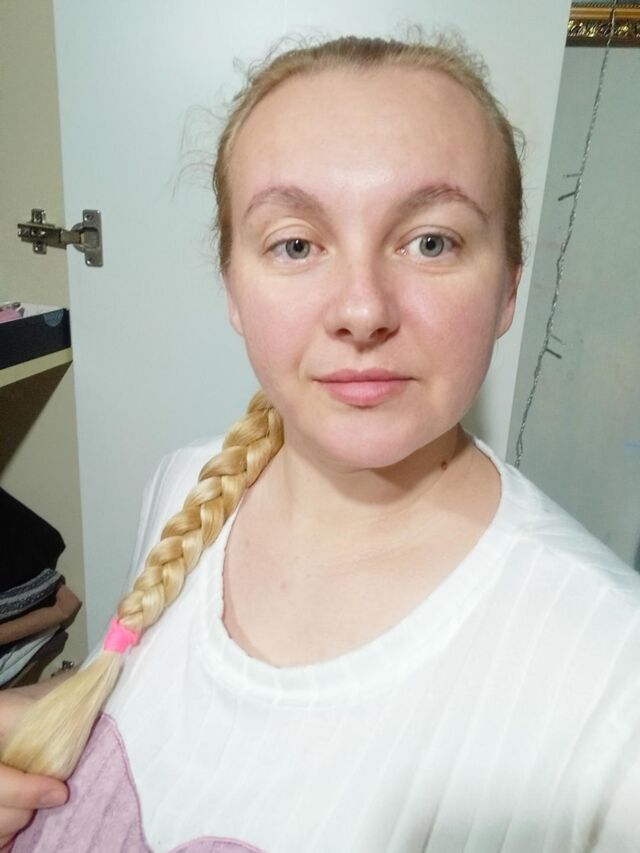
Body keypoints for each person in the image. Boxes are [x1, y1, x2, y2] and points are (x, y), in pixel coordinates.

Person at [0, 31, 638, 853]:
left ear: (510, 285)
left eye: (431, 241)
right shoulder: (183, 485)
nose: (362, 310)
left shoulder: (609, 678)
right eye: (296, 244)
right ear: (232, 287)